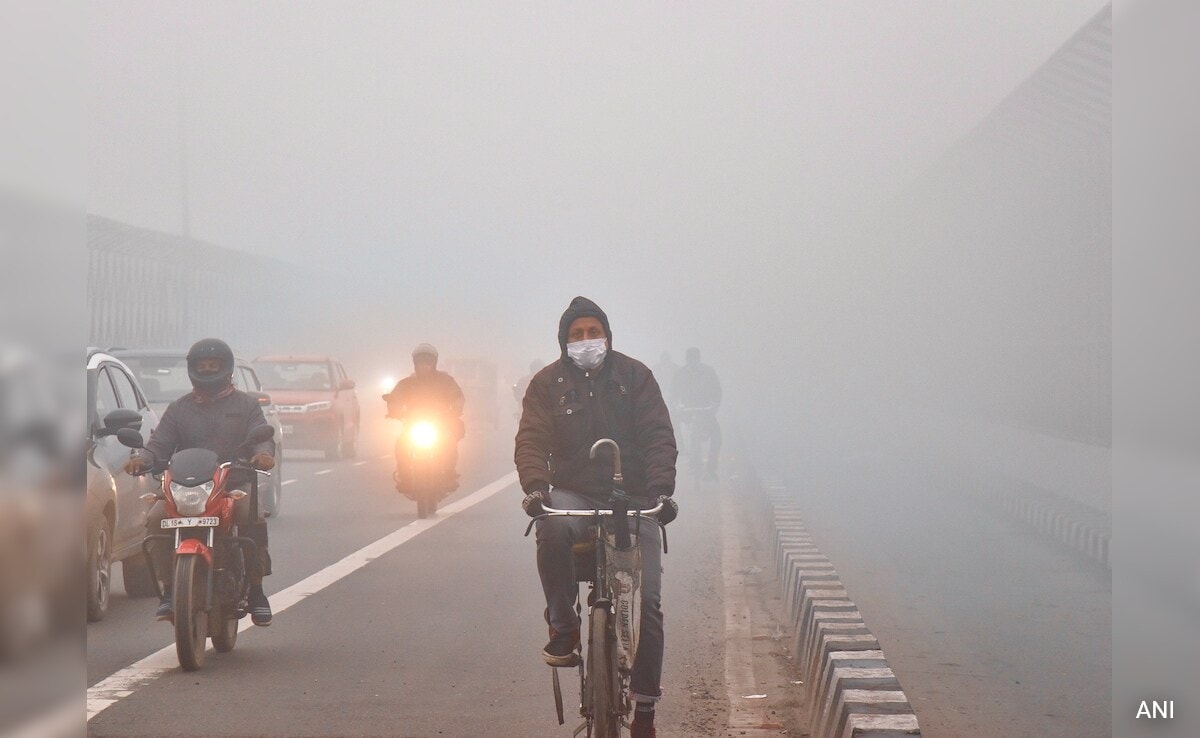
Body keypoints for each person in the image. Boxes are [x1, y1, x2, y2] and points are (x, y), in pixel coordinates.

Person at [515, 296, 679, 738]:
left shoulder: (636, 377)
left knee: (647, 604)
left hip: (635, 498)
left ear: (607, 334)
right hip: (574, 494)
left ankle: (644, 710)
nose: (586, 341)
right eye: (576, 334)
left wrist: (662, 492)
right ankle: (563, 627)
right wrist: (535, 488)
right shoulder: (546, 384)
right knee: (550, 526)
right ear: (563, 341)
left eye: (592, 332)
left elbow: (659, 435)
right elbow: (530, 439)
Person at [123, 338, 277, 626]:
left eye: (213, 366)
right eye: (202, 366)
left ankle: (256, 591)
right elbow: (158, 445)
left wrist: (263, 454)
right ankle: (170, 591)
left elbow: (262, 436)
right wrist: (142, 458)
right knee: (156, 520)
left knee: (251, 517)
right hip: (187, 488)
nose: (207, 371)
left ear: (226, 368)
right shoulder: (179, 409)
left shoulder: (246, 405)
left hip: (234, 485)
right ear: (192, 369)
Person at [385, 343, 465, 492]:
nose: (424, 366)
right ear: (415, 364)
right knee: (401, 443)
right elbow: (394, 397)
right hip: (412, 424)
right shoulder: (407, 383)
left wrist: (456, 408)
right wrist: (393, 409)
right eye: (420, 362)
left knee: (449, 441)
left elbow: (457, 395)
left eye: (427, 362)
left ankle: (448, 473)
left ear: (433, 363)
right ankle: (405, 476)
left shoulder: (445, 380)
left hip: (440, 424)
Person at [672, 347, 722, 480]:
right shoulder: (682, 373)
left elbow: (717, 392)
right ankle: (694, 460)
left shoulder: (707, 372)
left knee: (717, 437)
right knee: (714, 437)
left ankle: (710, 468)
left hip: (705, 411)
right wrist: (677, 407)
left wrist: (714, 407)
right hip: (689, 411)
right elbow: (674, 393)